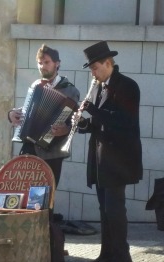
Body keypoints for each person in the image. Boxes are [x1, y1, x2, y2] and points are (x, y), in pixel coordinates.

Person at [75, 41, 143, 262]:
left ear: (107, 63)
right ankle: (107, 254)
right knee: (104, 211)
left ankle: (122, 256)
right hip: (100, 159)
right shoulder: (99, 88)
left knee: (115, 211)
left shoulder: (128, 86)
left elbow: (125, 121)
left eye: (95, 67)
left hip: (118, 160)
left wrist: (92, 109)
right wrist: (82, 124)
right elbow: (98, 123)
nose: (93, 73)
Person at [8, 44, 80, 188]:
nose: (42, 66)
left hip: (52, 153)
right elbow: (28, 109)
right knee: (24, 193)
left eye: (46, 62)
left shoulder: (70, 91)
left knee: (46, 196)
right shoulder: (36, 85)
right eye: (40, 63)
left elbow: (75, 122)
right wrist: (11, 114)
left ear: (57, 63)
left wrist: (65, 129)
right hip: (29, 148)